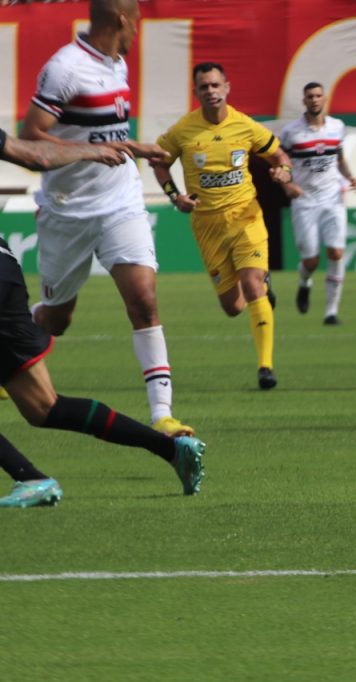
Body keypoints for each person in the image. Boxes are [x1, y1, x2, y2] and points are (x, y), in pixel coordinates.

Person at [0, 128, 205, 508]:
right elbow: (37, 156)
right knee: (44, 408)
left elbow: (39, 153)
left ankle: (32, 479)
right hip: (4, 268)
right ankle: (170, 450)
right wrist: (98, 150)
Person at [18, 0, 193, 436]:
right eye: (136, 22)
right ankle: (15, 346)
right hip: (68, 209)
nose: (138, 31)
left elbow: (105, 135)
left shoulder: (117, 66)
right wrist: (89, 152)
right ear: (121, 19)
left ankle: (163, 416)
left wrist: (137, 147)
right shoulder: (64, 68)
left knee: (145, 302)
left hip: (121, 203)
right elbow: (30, 138)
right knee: (57, 319)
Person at [150, 62, 294, 390]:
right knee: (232, 306)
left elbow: (280, 157)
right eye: (205, 87)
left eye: (216, 85)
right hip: (208, 225)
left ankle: (266, 368)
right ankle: (261, 288)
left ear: (227, 87)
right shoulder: (183, 130)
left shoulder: (245, 125)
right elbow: (159, 163)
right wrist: (175, 196)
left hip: (246, 215)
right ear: (196, 92)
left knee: (252, 282)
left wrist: (284, 172)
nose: (211, 91)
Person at [280, 82, 356, 325]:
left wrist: (350, 176)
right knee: (311, 260)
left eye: (318, 95)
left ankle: (331, 312)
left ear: (325, 98)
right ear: (303, 101)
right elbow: (279, 164)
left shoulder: (337, 127)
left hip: (332, 198)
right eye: (309, 96)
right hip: (305, 201)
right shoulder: (291, 132)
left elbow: (339, 158)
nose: (314, 100)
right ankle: (304, 282)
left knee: (336, 253)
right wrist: (287, 186)